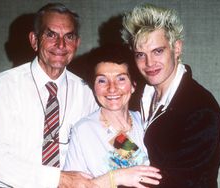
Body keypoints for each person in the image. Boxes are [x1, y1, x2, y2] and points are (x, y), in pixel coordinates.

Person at [0, 3, 99, 188]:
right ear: (34, 40)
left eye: (69, 36)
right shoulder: (3, 86)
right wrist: (58, 179)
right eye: (51, 35)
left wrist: (133, 152)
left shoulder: (86, 91)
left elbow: (107, 136)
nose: (61, 44)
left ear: (77, 43)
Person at [121, 3, 220, 188]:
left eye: (157, 51)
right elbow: (138, 155)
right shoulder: (137, 98)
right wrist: (113, 138)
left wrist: (113, 179)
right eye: (140, 55)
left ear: (176, 48)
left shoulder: (200, 109)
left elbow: (182, 183)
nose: (149, 63)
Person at [64, 45, 162, 187]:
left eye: (121, 79)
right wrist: (115, 178)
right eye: (102, 80)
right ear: (93, 86)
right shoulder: (84, 130)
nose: (112, 88)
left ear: (133, 85)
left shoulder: (146, 121)